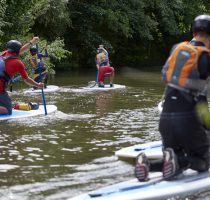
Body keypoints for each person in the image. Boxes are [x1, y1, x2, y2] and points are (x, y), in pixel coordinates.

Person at [135, 14, 210, 181]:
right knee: (204, 161)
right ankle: (180, 163)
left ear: (194, 32)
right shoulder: (205, 57)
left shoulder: (177, 51)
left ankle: (148, 165)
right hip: (187, 120)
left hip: (165, 119)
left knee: (174, 156)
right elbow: (201, 102)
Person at [0, 38, 44, 115]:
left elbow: (21, 50)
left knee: (9, 94)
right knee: (8, 111)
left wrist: (32, 42)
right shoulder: (17, 63)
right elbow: (26, 79)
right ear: (17, 51)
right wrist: (38, 85)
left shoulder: (3, 54)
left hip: (1, 89)